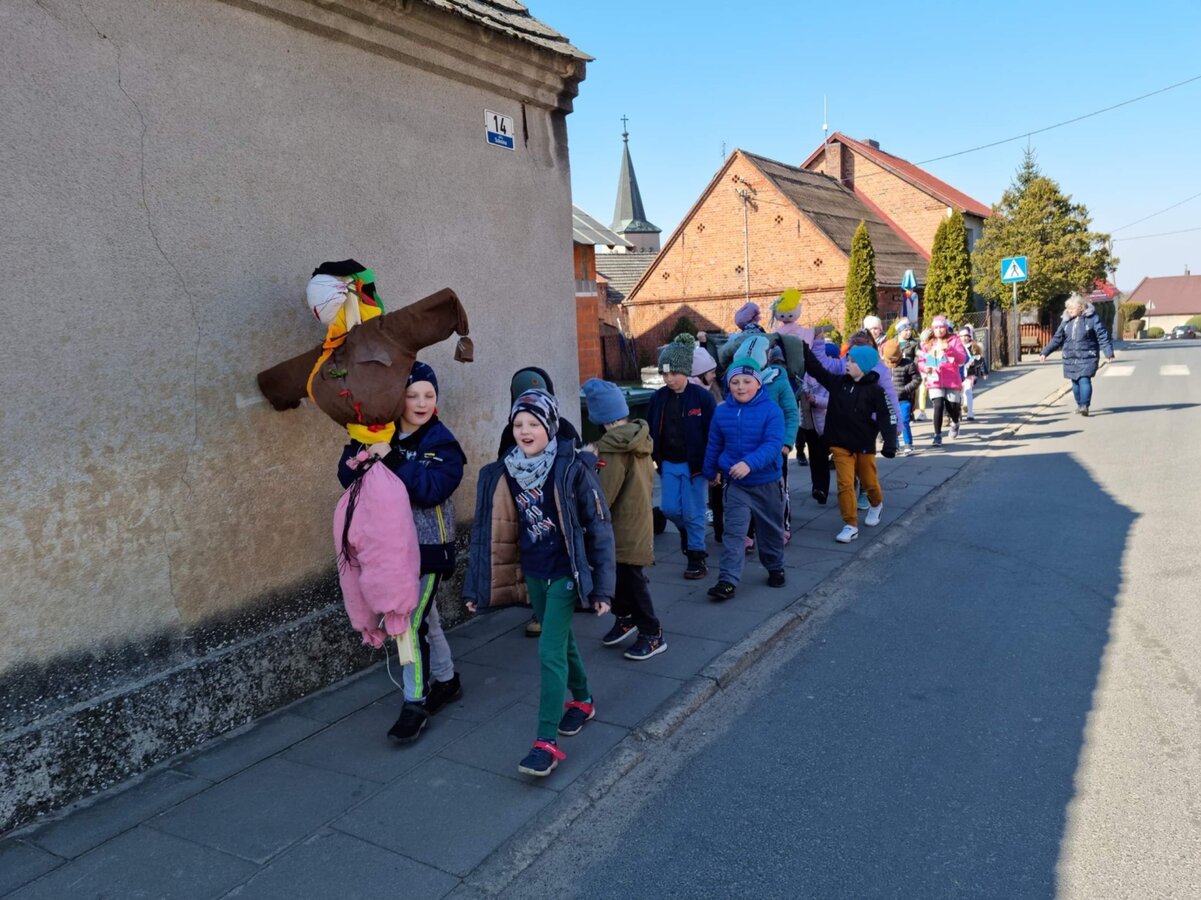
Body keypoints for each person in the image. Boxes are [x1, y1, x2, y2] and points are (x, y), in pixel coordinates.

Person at [464, 390, 615, 777]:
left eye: (533, 423)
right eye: (518, 424)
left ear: (550, 426)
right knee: (561, 640)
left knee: (549, 651)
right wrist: (475, 588)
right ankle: (583, 700)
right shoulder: (503, 471)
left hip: (565, 573)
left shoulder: (572, 468)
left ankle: (545, 741)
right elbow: (485, 534)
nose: (525, 431)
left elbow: (599, 527)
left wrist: (603, 588)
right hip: (532, 572)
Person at [337, 362, 466, 743]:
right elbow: (347, 478)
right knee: (428, 621)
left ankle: (415, 702)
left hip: (427, 551)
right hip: (388, 553)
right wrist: (361, 446)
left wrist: (391, 457)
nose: (421, 402)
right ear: (398, 398)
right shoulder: (381, 433)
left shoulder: (441, 442)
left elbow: (431, 490)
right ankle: (447, 680)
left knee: (409, 624)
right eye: (412, 395)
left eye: (429, 395)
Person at [582, 379, 666, 661]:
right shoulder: (637, 438)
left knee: (630, 581)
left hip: (620, 527)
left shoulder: (612, 448)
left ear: (600, 418)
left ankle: (652, 632)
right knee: (621, 577)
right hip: (637, 520)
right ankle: (626, 617)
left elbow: (603, 494)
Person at [495, 366, 581, 638]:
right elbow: (502, 467)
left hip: (558, 509)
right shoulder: (510, 433)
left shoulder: (563, 428)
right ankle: (541, 609)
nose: (526, 429)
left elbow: (577, 468)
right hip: (527, 509)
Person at [702, 351, 786, 601]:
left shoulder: (772, 411)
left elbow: (773, 444)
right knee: (734, 533)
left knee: (770, 531)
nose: (740, 387)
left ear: (758, 383)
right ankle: (727, 580)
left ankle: (775, 567)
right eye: (735, 382)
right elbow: (714, 443)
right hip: (737, 485)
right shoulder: (722, 412)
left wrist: (749, 463)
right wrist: (710, 470)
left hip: (767, 483)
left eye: (747, 381)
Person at [803, 343, 897, 543]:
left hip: (863, 444)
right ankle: (850, 524)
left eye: (853, 361)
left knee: (869, 482)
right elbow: (817, 371)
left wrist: (890, 444)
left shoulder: (876, 391)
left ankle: (876, 504)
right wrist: (803, 349)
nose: (847, 363)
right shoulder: (838, 383)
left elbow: (887, 417)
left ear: (864, 366)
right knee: (845, 484)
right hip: (840, 443)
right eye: (848, 359)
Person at [648, 334, 716, 580]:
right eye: (665, 374)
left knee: (694, 511)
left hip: (695, 466)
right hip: (668, 464)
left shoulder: (702, 398)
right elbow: (650, 429)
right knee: (670, 509)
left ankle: (697, 558)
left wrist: (714, 467)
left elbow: (714, 434)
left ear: (685, 371)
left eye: (674, 373)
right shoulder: (658, 398)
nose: (669, 379)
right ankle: (688, 532)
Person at [1040, 297, 1114, 416]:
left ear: (1081, 307)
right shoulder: (1066, 321)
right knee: (1075, 383)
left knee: (1084, 379)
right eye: (1068, 308)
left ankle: (1085, 405)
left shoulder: (1092, 318)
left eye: (1072, 308)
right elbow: (1057, 338)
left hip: (1087, 356)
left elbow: (1102, 335)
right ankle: (1080, 405)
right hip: (1070, 357)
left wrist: (1108, 352)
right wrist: (1045, 352)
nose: (1069, 310)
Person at [689, 342, 726, 542]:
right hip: (700, 451)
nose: (714, 376)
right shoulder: (694, 394)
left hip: (715, 449)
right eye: (711, 372)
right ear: (700, 373)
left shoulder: (713, 390)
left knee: (717, 489)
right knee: (699, 494)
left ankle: (719, 528)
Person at [917, 316, 967, 446]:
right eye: (936, 327)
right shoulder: (929, 342)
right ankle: (937, 435)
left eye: (941, 327)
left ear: (946, 327)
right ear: (932, 329)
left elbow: (962, 359)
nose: (939, 330)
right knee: (938, 406)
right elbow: (921, 360)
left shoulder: (954, 340)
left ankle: (955, 422)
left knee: (952, 408)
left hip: (951, 379)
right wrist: (925, 368)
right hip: (935, 379)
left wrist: (949, 349)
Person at [885, 339, 922, 456]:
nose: (891, 361)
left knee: (904, 421)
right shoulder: (883, 365)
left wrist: (905, 389)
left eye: (893, 358)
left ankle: (908, 444)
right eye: (889, 358)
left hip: (904, 399)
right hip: (888, 400)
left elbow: (917, 379)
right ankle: (895, 445)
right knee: (892, 423)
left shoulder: (908, 364)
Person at [959, 325, 988, 421]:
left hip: (969, 374)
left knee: (968, 391)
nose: (964, 338)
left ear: (970, 336)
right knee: (959, 393)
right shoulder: (957, 347)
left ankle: (970, 413)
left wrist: (984, 372)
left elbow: (980, 360)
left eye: (966, 336)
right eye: (961, 336)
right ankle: (960, 410)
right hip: (958, 374)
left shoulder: (974, 347)